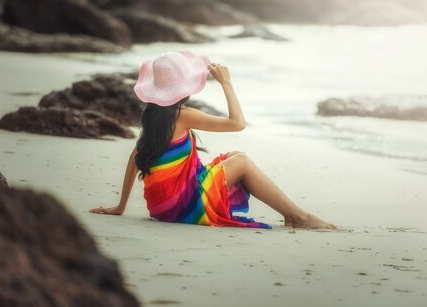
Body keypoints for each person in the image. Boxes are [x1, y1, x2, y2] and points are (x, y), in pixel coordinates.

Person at [90, 50, 336, 230]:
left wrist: (121, 206)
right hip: (183, 208)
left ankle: (293, 216)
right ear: (184, 87)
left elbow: (136, 156)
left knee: (235, 156)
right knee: (243, 163)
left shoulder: (153, 116)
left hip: (162, 207)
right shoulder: (182, 115)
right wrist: (226, 84)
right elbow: (237, 123)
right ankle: (298, 217)